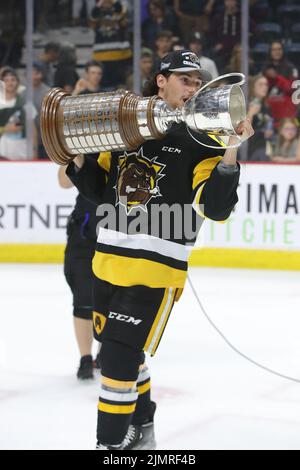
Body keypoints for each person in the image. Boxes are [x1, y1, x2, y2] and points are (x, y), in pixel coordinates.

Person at [65, 49, 254, 449]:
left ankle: (110, 446)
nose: (194, 87)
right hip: (107, 265)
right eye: (185, 79)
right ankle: (143, 427)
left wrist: (230, 150)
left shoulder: (204, 138)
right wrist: (75, 151)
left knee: (115, 358)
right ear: (162, 81)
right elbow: (99, 191)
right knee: (124, 352)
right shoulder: (127, 125)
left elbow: (216, 208)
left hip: (156, 273)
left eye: (197, 81)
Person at [58, 165, 101, 380]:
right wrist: (70, 154)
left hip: (118, 230)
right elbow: (64, 182)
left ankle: (105, 351)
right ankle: (86, 358)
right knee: (83, 299)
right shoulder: (85, 144)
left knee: (116, 298)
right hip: (84, 234)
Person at [90, 0, 132, 89]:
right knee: (104, 86)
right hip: (101, 56)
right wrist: (100, 4)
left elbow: (121, 11)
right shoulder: (97, 13)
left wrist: (113, 2)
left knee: (120, 85)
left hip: (120, 56)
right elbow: (92, 17)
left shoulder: (119, 11)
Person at [0, 67, 38, 160]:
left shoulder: (26, 104)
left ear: (17, 82)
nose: (10, 83)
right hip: (2, 152)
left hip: (22, 152)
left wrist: (35, 151)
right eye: (6, 80)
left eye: (13, 79)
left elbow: (33, 130)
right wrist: (5, 129)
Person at [247, 74, 274, 161]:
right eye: (260, 84)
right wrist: (250, 114)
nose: (264, 87)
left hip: (264, 145)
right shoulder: (246, 104)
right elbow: (243, 132)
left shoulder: (266, 107)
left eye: (266, 84)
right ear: (252, 87)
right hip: (249, 147)